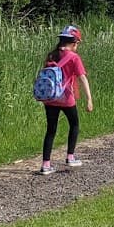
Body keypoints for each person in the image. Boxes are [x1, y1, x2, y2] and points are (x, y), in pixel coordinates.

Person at [39, 24, 92, 175]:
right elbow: (82, 78)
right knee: (74, 124)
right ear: (75, 42)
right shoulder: (74, 58)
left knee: (51, 129)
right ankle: (70, 156)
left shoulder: (52, 54)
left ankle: (46, 165)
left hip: (50, 98)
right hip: (66, 97)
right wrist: (89, 99)